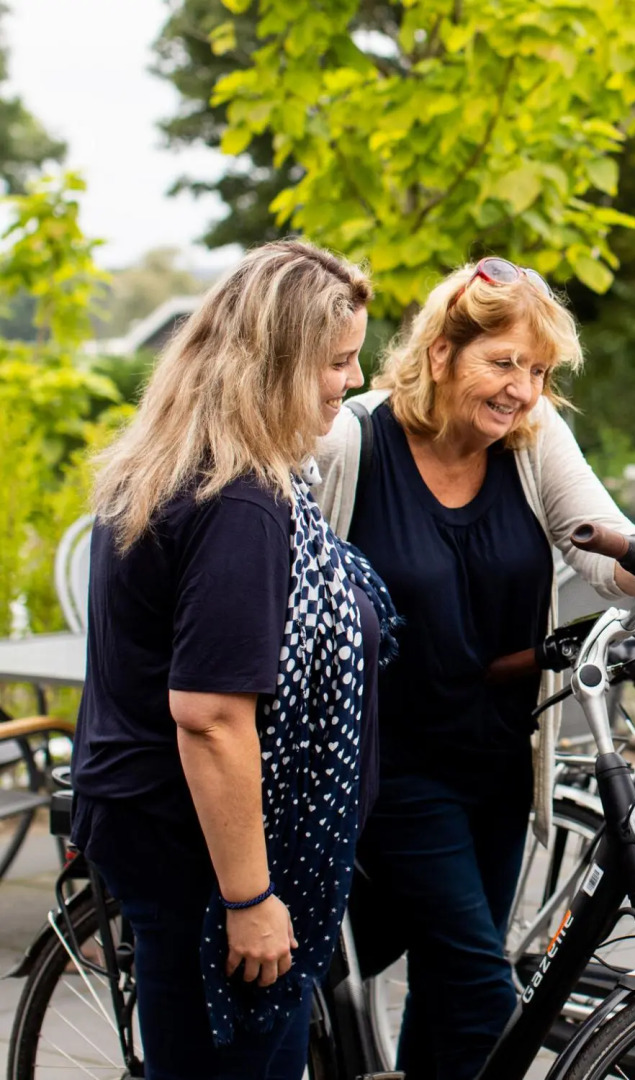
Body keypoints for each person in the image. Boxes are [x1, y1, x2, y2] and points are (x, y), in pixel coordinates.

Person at [311, 256, 635, 1080]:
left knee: (448, 998)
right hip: (387, 768)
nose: (523, 390)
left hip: (498, 762)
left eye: (539, 371)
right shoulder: (351, 443)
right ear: (441, 353)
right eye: (504, 363)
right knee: (481, 989)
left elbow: (606, 548)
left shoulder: (531, 439)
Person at [70, 240, 395, 1079]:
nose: (354, 380)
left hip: (158, 829)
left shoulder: (183, 465)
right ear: (277, 364)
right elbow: (211, 717)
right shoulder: (238, 501)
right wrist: (249, 898)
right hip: (200, 857)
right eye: (337, 361)